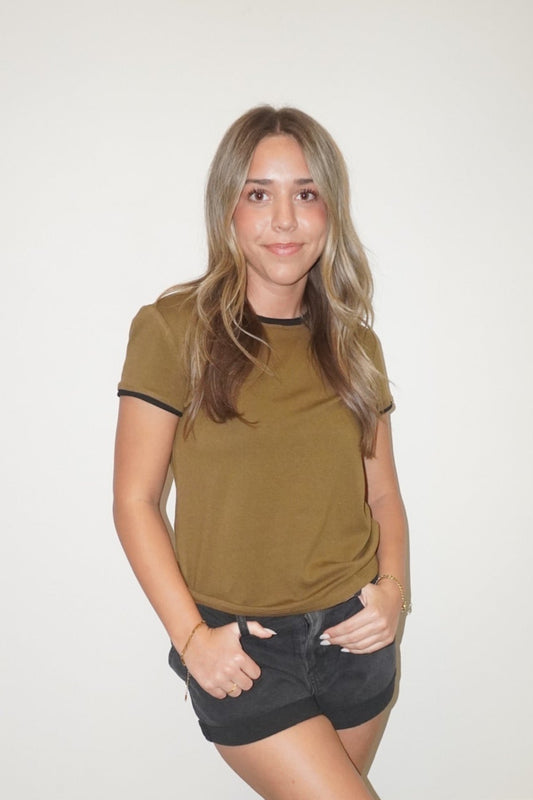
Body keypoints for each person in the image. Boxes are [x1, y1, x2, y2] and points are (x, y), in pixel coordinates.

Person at [113, 105, 409, 800]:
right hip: (242, 651)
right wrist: (190, 640)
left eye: (305, 194)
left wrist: (392, 595)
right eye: (259, 194)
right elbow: (134, 501)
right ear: (229, 210)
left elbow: (383, 495)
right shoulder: (171, 330)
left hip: (352, 639)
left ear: (329, 211)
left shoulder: (352, 344)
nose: (284, 219)